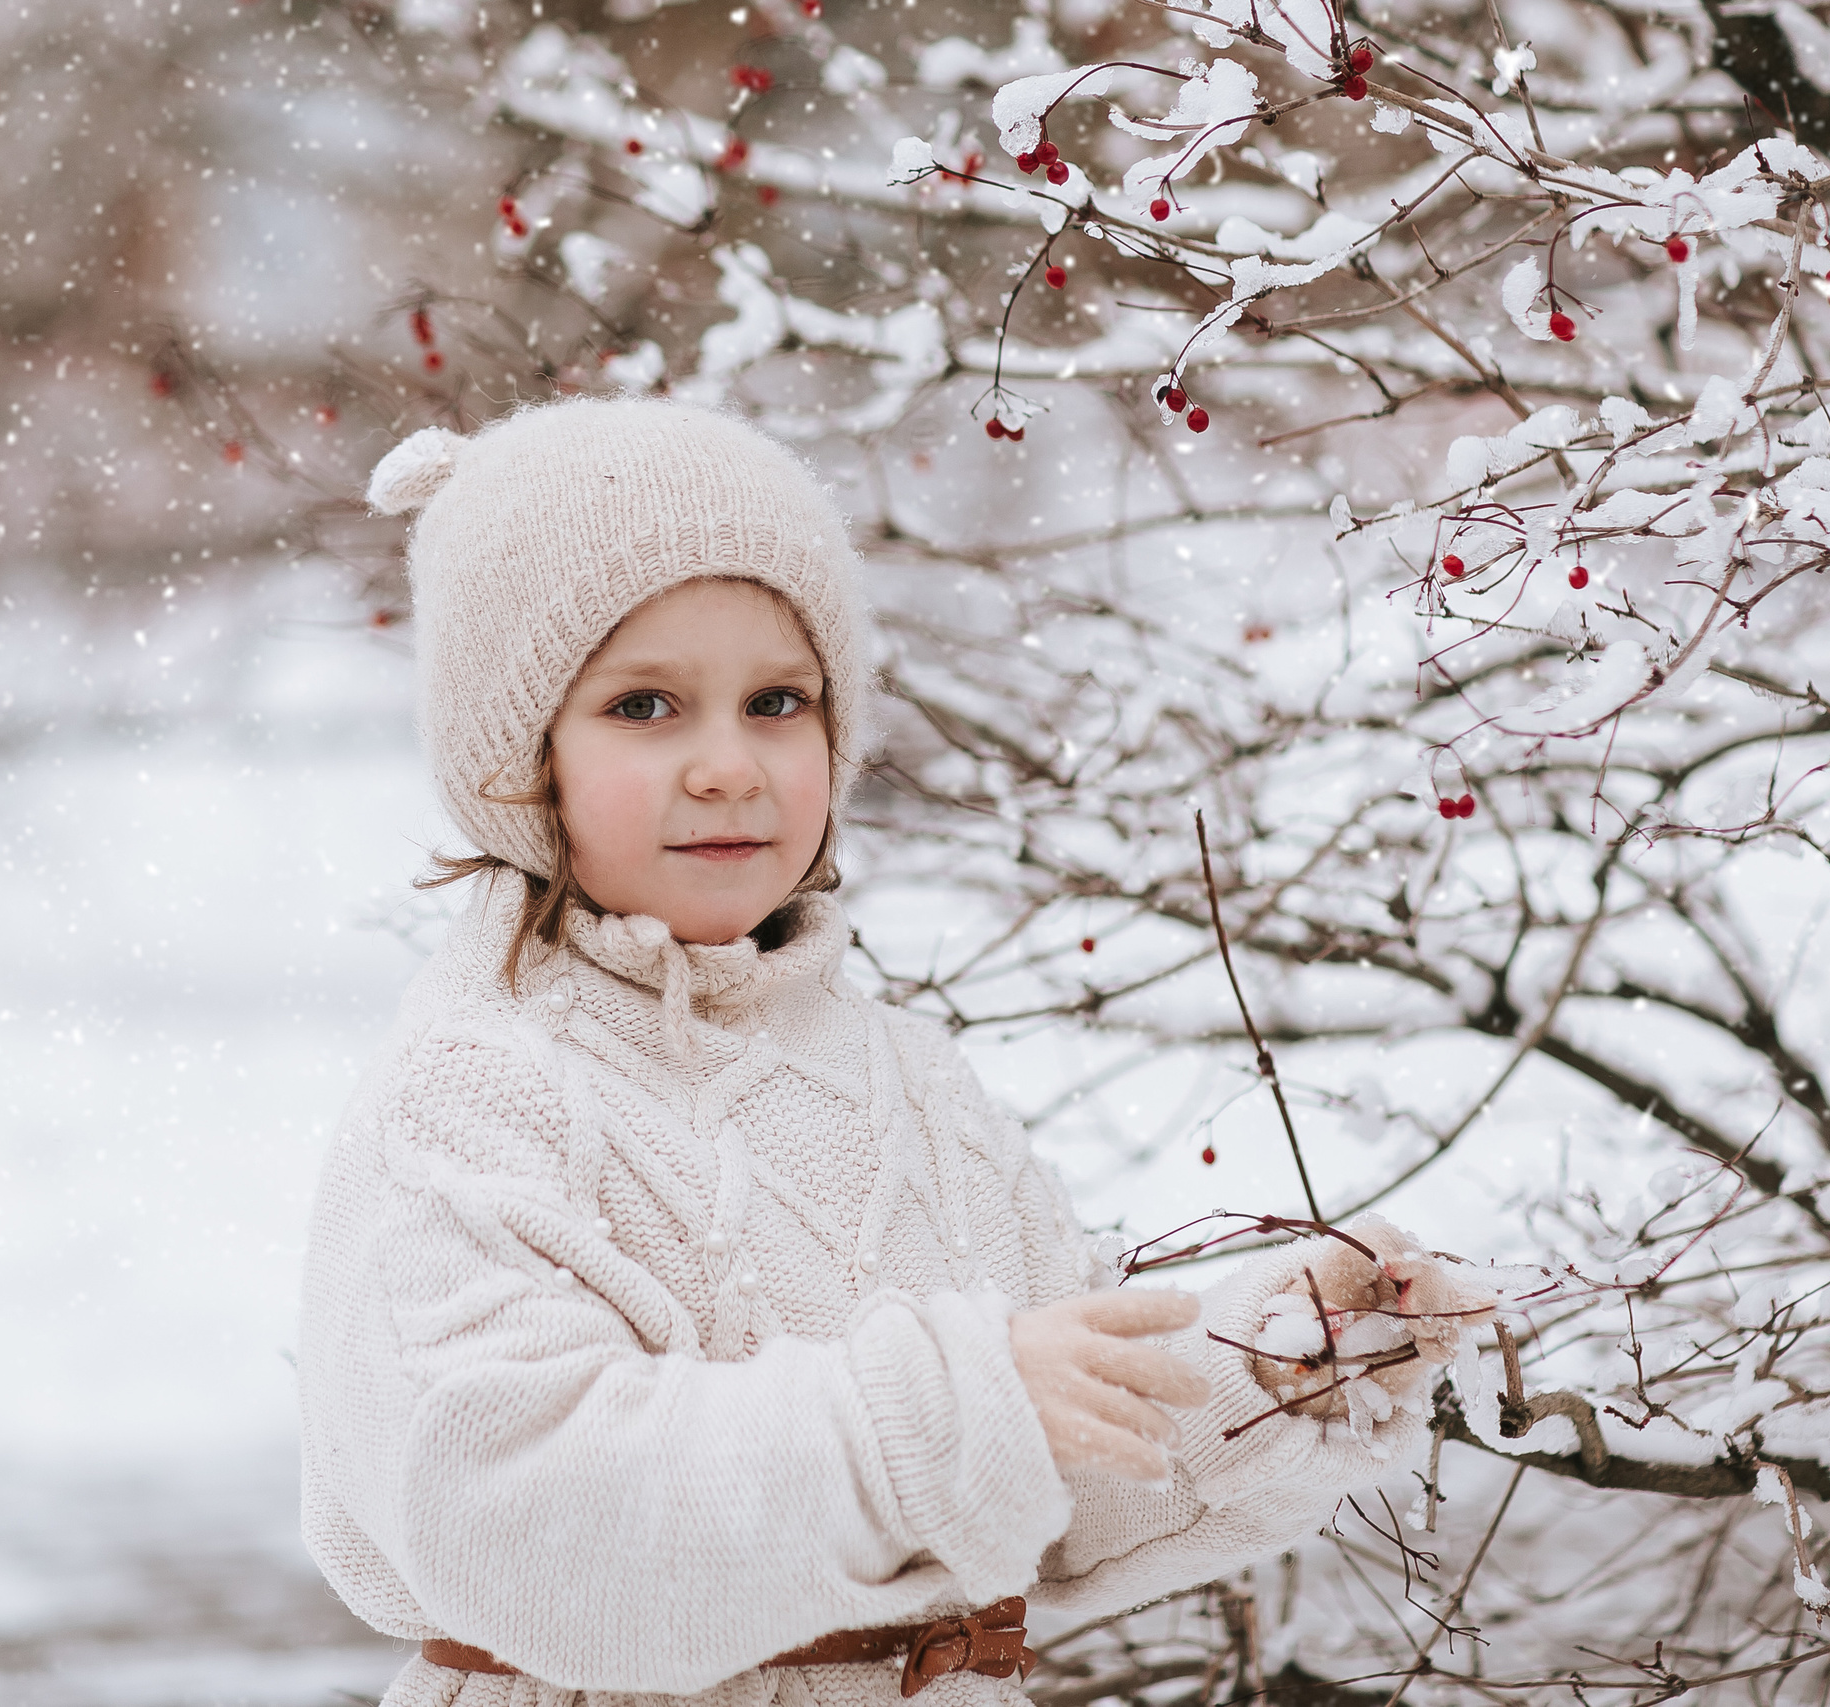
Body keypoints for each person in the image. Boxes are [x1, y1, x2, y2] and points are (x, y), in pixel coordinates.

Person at [296, 398, 1490, 1707]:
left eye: (777, 702)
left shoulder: (903, 1075)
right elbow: (528, 1527)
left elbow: (1048, 1472)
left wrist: (1269, 1371)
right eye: (644, 706)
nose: (727, 765)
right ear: (518, 762)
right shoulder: (478, 1093)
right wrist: (933, 1414)